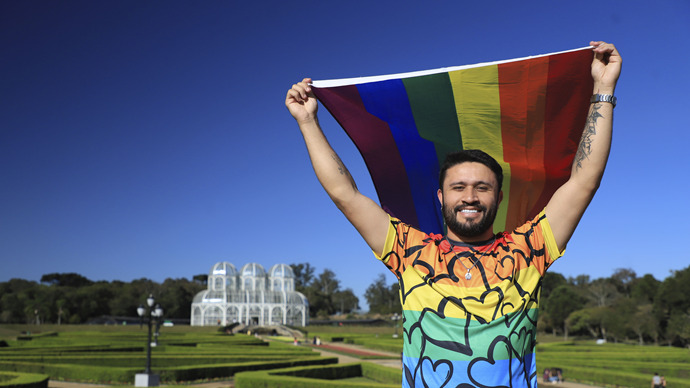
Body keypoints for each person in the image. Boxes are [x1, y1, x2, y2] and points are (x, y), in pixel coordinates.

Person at [286, 41, 621, 387]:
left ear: (499, 196)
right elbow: (345, 195)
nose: (470, 197)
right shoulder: (408, 250)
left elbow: (583, 182)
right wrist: (308, 122)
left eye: (482, 187)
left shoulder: (529, 249)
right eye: (458, 187)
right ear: (440, 196)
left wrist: (604, 88)